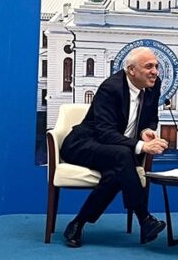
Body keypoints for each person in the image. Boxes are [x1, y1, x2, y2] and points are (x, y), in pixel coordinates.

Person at [60, 47, 169, 248]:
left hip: (117, 152)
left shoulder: (154, 84)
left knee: (116, 171)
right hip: (83, 144)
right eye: (149, 67)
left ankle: (77, 224)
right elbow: (106, 133)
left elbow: (151, 118)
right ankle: (144, 218)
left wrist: (146, 130)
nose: (155, 72)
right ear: (131, 70)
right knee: (123, 155)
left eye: (156, 66)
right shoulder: (110, 88)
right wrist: (143, 146)